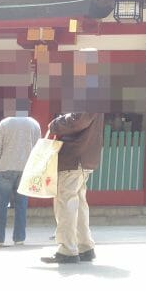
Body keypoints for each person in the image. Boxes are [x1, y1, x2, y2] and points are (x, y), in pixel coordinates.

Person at [40, 112, 103, 264]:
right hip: (83, 158)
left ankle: (67, 249)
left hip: (73, 157)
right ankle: (84, 246)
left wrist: (55, 123)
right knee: (79, 204)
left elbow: (77, 121)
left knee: (65, 203)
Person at [0, 113, 41, 247]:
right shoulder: (34, 124)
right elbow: (38, 149)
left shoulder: (5, 123)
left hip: (6, 166)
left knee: (1, 203)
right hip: (25, 168)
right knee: (21, 204)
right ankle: (19, 237)